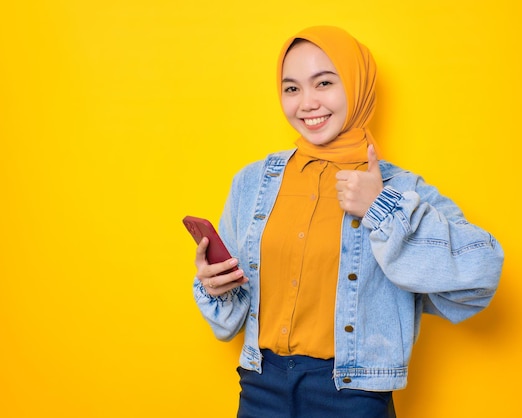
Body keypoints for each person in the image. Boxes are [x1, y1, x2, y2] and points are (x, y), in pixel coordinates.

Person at [192, 25, 504, 418]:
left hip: (353, 396)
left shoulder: (398, 187)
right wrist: (215, 285)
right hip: (260, 387)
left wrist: (381, 207)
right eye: (292, 89)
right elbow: (231, 320)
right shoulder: (252, 182)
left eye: (323, 83)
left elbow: (481, 274)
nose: (307, 103)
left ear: (356, 85)